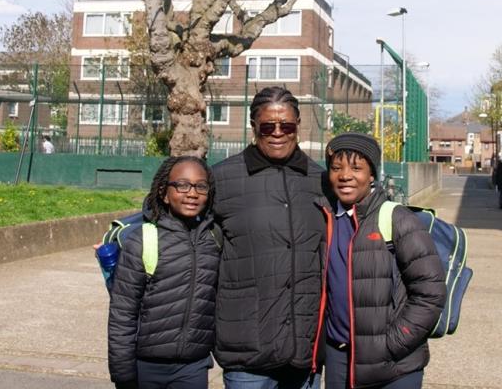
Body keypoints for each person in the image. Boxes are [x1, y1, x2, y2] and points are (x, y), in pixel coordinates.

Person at [211, 86, 326, 389]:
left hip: (305, 350)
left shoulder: (320, 181)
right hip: (247, 351)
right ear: (253, 127)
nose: (278, 133)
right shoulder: (221, 179)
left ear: (297, 126)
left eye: (286, 125)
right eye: (268, 126)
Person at [313, 133, 446, 389]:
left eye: (357, 167)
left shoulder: (397, 218)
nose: (345, 175)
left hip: (395, 365)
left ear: (372, 174)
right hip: (340, 359)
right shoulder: (325, 218)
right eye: (336, 168)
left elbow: (431, 292)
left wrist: (393, 343)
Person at [108, 156, 221, 389]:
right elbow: (122, 313)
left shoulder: (214, 239)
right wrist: (123, 373)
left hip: (194, 366)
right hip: (145, 366)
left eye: (201, 186)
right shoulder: (144, 239)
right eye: (182, 185)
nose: (192, 193)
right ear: (164, 193)